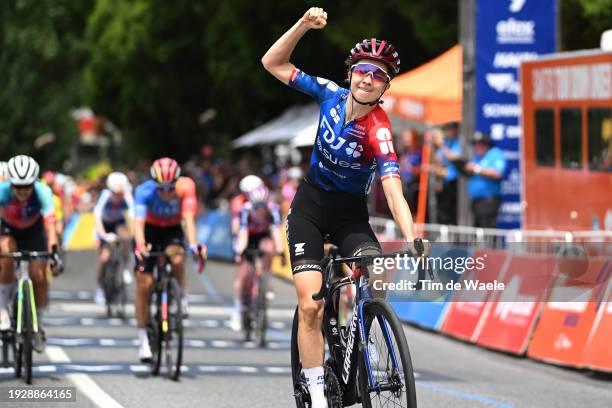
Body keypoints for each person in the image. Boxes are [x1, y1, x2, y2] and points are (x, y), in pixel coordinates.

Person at [262, 8, 423, 407]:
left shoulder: (379, 129)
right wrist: (301, 25)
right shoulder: (328, 93)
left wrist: (413, 238)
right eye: (364, 71)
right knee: (310, 306)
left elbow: (392, 190)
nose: (369, 79)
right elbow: (272, 63)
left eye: (379, 75)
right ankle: (317, 391)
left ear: (385, 87)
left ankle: (362, 330)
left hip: (350, 213)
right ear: (351, 73)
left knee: (378, 272)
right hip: (310, 209)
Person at [132, 157, 206, 362]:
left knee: (178, 258)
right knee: (144, 284)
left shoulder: (186, 187)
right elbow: (137, 223)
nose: (166, 192)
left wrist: (193, 244)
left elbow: (188, 219)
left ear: (177, 181)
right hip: (149, 230)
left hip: (171, 230)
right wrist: (140, 245)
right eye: (161, 188)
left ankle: (180, 294)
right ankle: (143, 340)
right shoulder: (143, 191)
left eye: (170, 187)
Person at [0, 155, 62, 352]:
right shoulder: (2, 192)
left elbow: (50, 222)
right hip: (8, 230)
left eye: (27, 186)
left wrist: (53, 249)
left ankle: (39, 325)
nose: (23, 191)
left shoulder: (43, 191)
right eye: (17, 186)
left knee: (39, 276)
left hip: (34, 231)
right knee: (5, 254)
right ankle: (2, 309)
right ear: (11, 182)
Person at [231, 181, 285, 331]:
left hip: (262, 237)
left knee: (268, 248)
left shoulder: (273, 209)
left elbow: (276, 232)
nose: (260, 210)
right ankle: (238, 309)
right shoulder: (246, 210)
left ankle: (265, 280)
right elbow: (242, 235)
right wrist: (239, 252)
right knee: (243, 273)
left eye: (263, 206)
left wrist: (280, 252)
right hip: (248, 238)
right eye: (257, 207)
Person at [93, 171, 135, 304]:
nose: (119, 195)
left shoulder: (127, 196)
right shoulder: (105, 196)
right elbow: (97, 216)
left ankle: (125, 268)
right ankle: (100, 287)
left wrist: (134, 233)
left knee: (126, 238)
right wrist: (104, 235)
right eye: (117, 193)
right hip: (104, 225)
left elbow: (133, 215)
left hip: (118, 223)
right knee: (104, 258)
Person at [465, 132, 507, 228]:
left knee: (488, 231)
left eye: (479, 144)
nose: (477, 147)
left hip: (489, 201)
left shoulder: (495, 154)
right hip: (476, 201)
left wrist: (476, 169)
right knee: (478, 232)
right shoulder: (477, 158)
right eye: (476, 144)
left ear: (486, 144)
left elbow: (497, 173)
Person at [431, 122, 462, 225]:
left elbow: (453, 157)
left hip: (455, 181)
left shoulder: (459, 142)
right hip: (443, 181)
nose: (449, 131)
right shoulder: (447, 142)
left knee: (452, 211)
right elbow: (438, 159)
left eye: (451, 128)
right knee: (442, 210)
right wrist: (433, 145)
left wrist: (441, 145)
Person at [399, 129, 422, 214]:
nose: (405, 139)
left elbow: (420, 171)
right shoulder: (405, 153)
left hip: (413, 187)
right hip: (405, 185)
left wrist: (408, 167)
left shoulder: (418, 153)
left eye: (407, 137)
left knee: (412, 211)